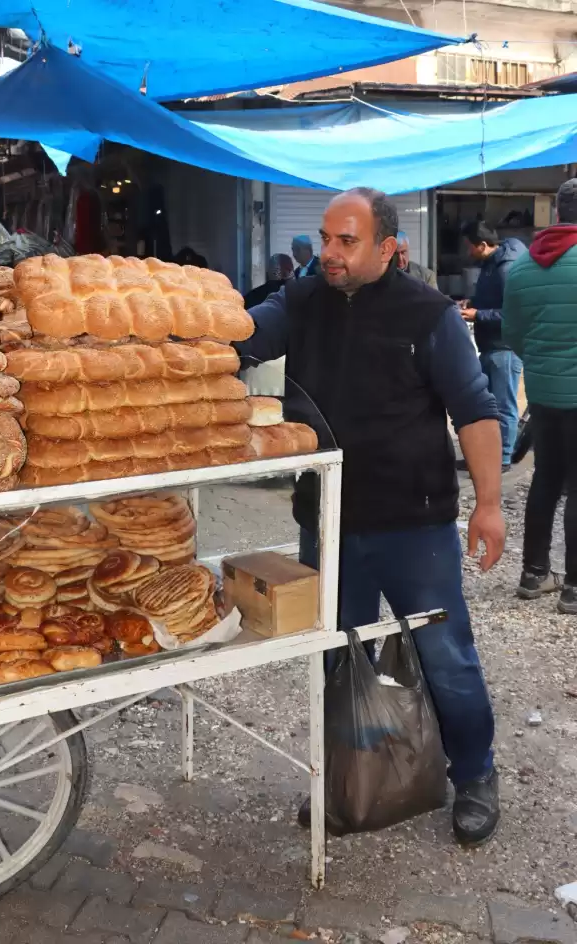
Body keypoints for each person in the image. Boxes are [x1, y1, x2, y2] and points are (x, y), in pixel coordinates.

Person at [235, 187, 505, 846]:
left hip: (414, 522)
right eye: (326, 238)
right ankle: (356, 770)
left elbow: (473, 410)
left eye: (345, 241)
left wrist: (491, 506)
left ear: (388, 247)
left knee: (445, 655)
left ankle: (473, 774)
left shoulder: (429, 315)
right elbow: (245, 335)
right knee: (336, 657)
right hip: (327, 520)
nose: (329, 253)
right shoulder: (303, 300)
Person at [503, 178, 577, 615]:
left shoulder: (524, 268)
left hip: (545, 394)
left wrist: (545, 364)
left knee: (546, 480)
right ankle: (573, 588)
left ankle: (534, 573)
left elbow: (513, 334)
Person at [460, 221, 526, 471]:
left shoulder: (506, 269)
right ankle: (484, 457)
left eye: (470, 247)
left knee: (504, 405)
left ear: (483, 245)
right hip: (488, 347)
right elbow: (490, 301)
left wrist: (478, 315)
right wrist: (472, 303)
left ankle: (503, 459)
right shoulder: (489, 265)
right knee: (485, 406)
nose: (468, 252)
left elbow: (514, 314)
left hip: (504, 349)